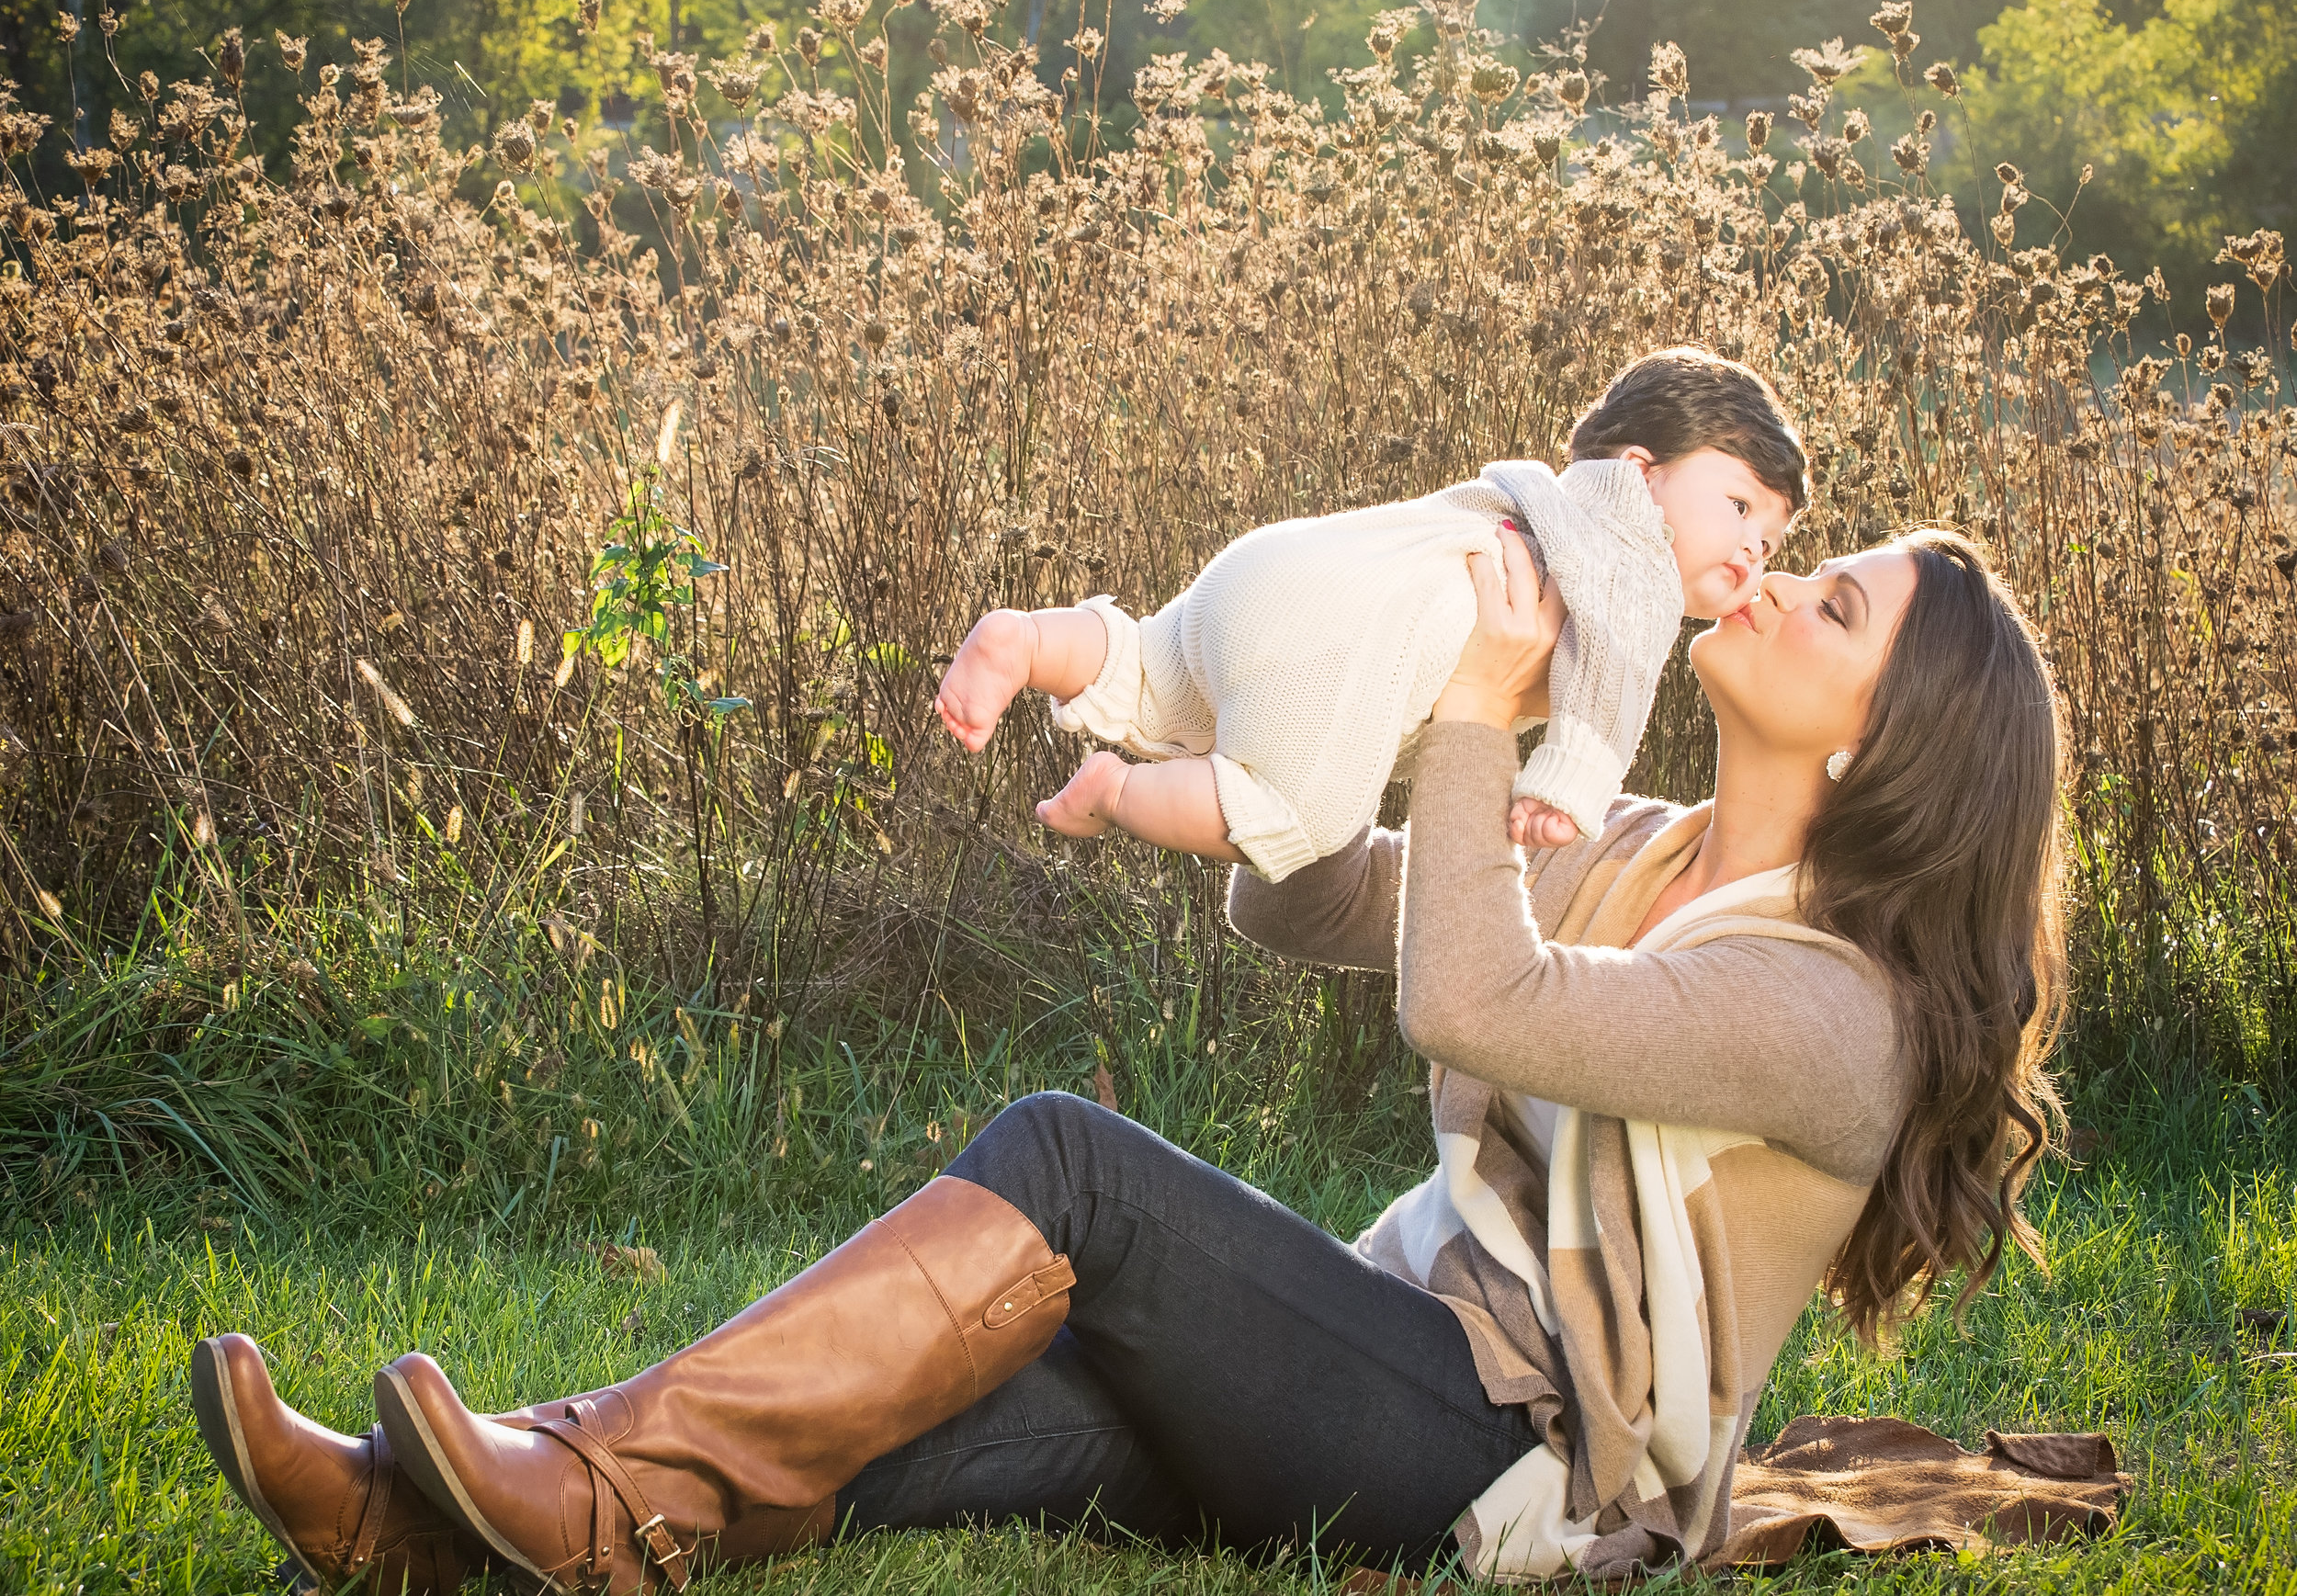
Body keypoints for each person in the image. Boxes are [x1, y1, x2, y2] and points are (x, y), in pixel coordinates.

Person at [190, 524, 2066, 1593]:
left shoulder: (1831, 1006)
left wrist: (1486, 714)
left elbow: (1466, 1003)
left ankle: (567, 1484)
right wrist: (1254, 759)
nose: (1771, 581)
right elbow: (1331, 909)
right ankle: (420, 1520)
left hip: (1508, 1475)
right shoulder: (1635, 838)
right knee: (932, 1402)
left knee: (1065, 1168)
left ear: (1893, 739)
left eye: (1833, 604)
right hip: (1377, 1369)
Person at [932, 346, 1804, 869]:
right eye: (1739, 507)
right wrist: (1564, 790)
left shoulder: (1539, 508)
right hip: (1341, 647)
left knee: (1154, 663)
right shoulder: (1631, 551)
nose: (1754, 549)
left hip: (1272, 569)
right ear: (1642, 475)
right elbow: (1611, 678)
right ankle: (1117, 792)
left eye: (1772, 538)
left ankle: (1026, 637)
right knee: (1294, 814)